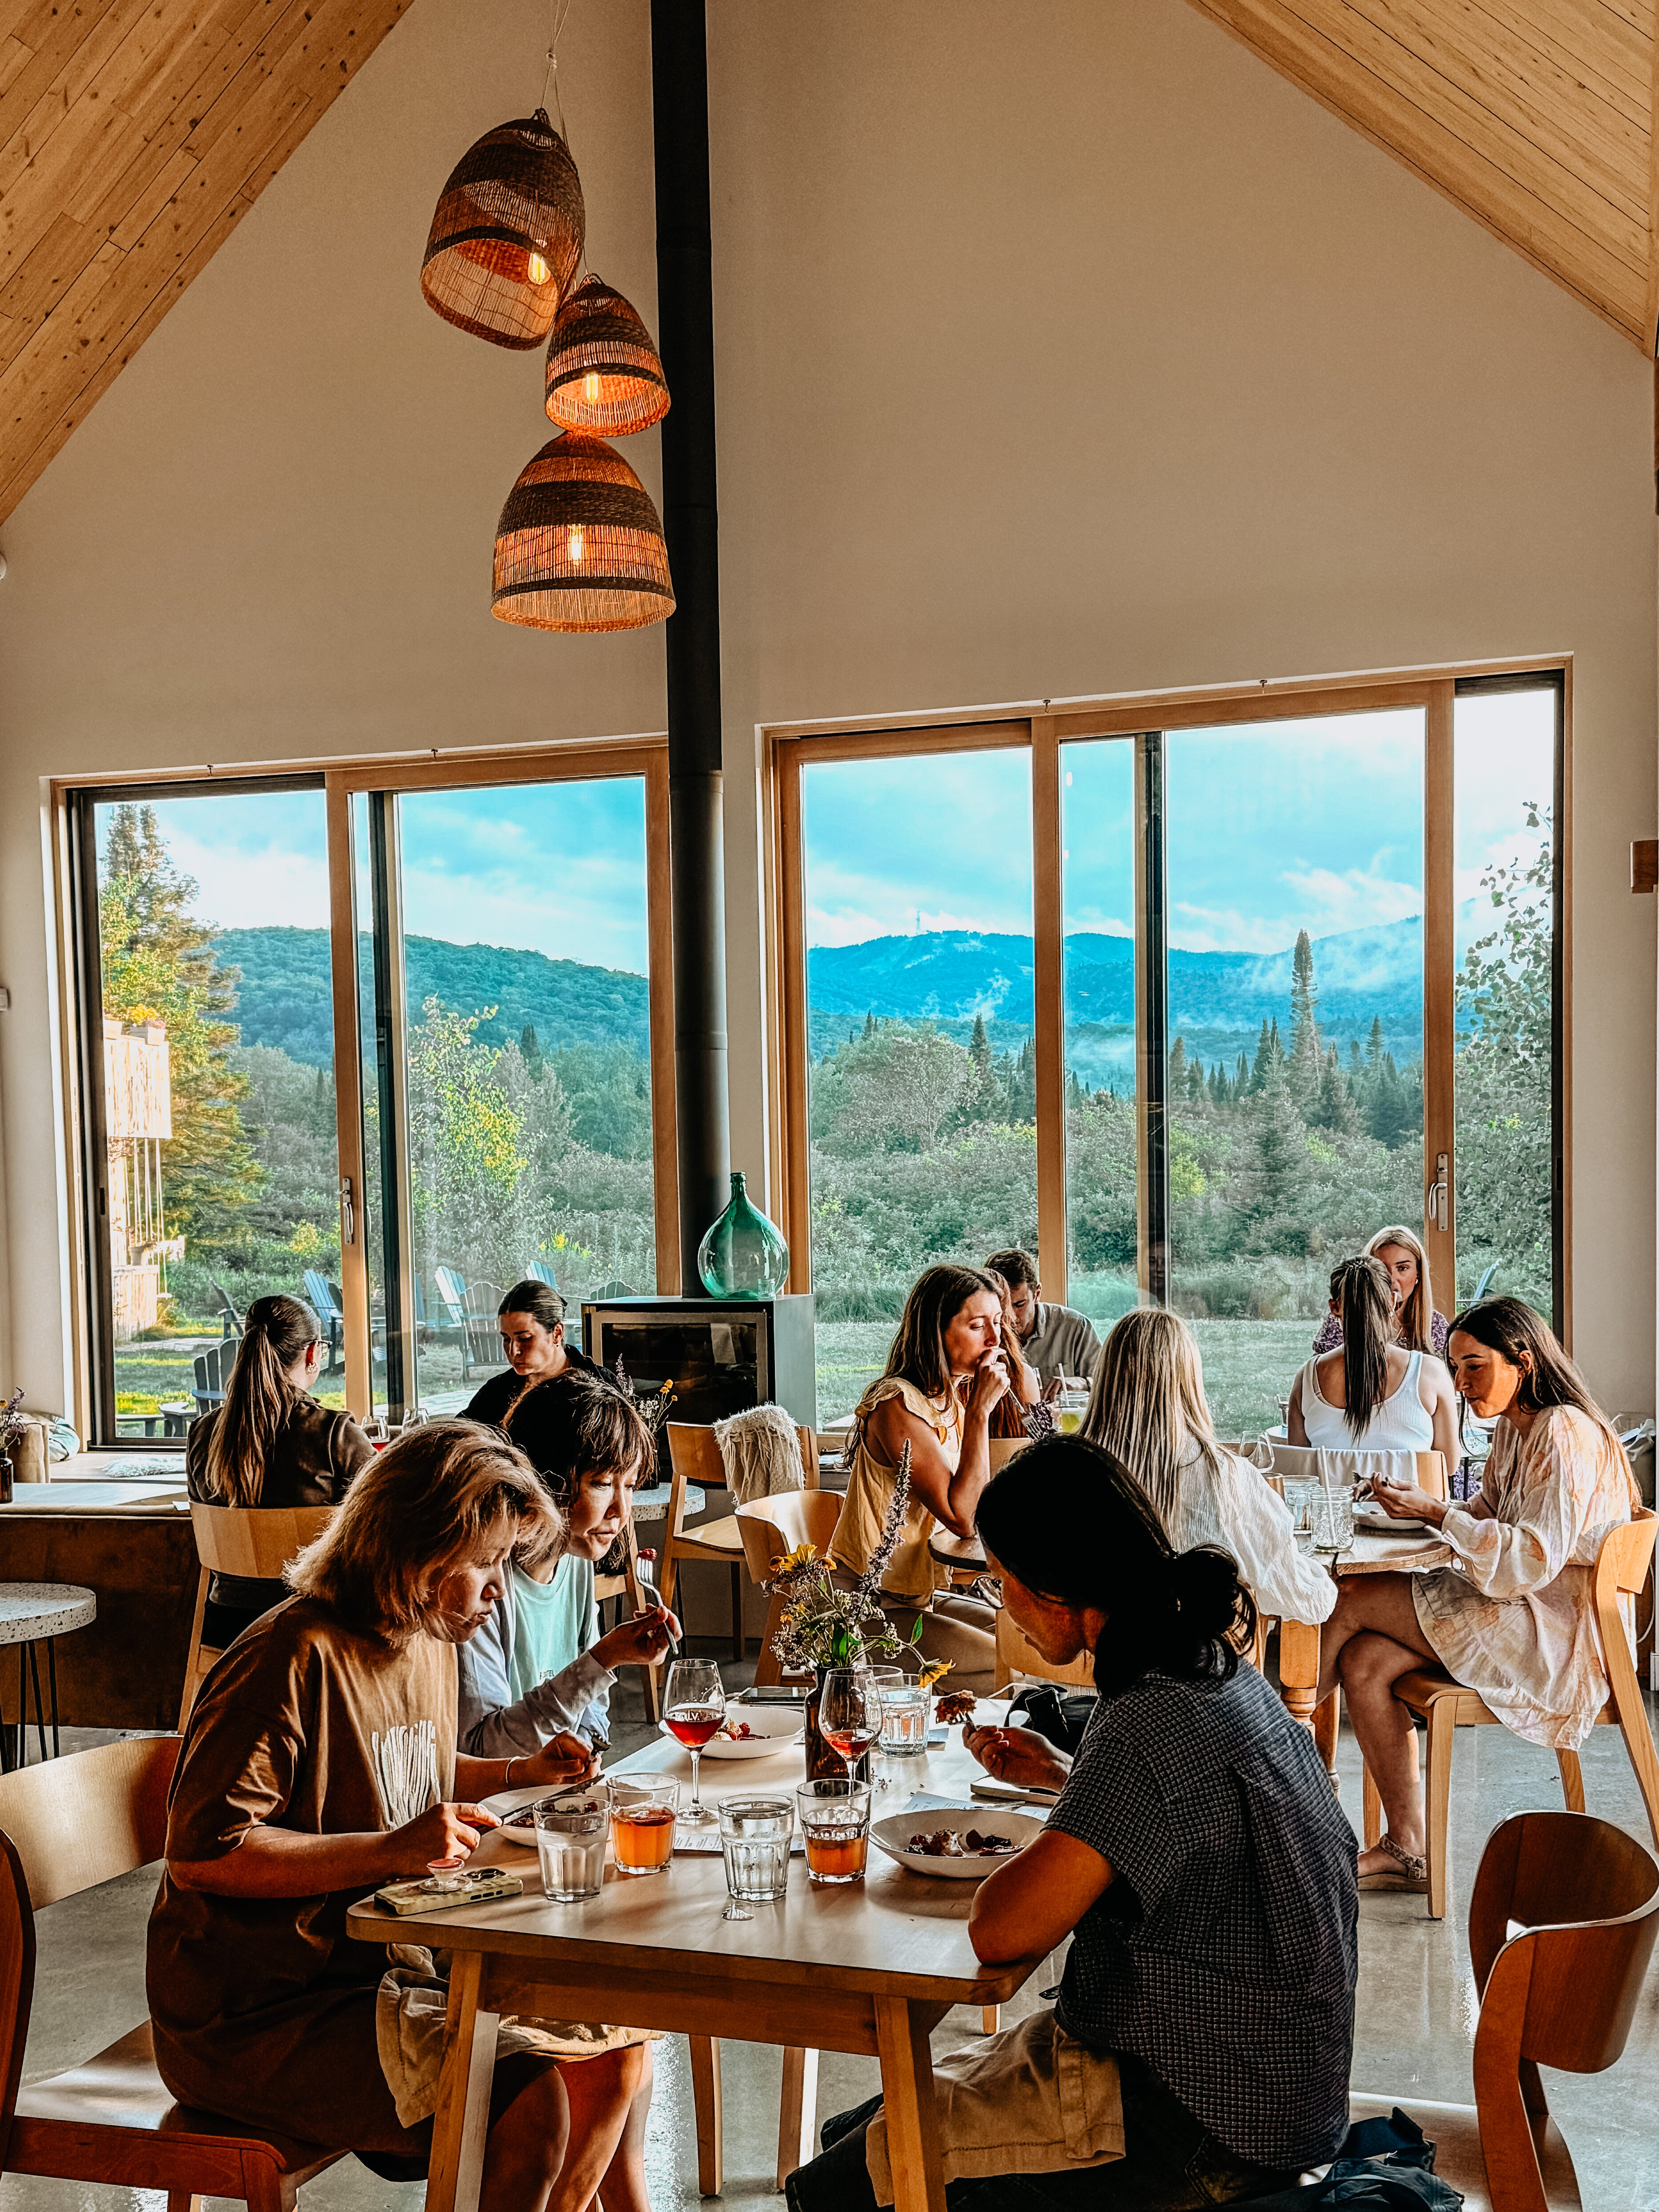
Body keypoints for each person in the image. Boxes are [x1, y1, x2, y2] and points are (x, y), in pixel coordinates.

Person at [787, 1436, 1357, 2210]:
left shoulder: (1143, 1718)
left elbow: (1000, 1930)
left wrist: (1057, 1808)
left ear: (1055, 1589)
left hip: (1192, 2119)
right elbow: (1190, 1819)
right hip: (1280, 2093)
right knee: (859, 2125)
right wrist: (1064, 1775)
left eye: (1001, 1581)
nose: (1002, 1605)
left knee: (839, 2187)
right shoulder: (1214, 1669)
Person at [149, 1420, 655, 2212]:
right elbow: (205, 1853)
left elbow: (406, 1769)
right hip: (260, 2012)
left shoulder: (424, 1634)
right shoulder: (287, 1656)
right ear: (419, 1550)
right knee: (528, 2105)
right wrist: (388, 1850)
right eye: (485, 1562)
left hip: (384, 1964)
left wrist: (518, 1770)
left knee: (617, 2046)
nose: (498, 1585)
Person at [1316, 1297, 1639, 1892]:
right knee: (1362, 1662)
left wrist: (1436, 1512)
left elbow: (1531, 1558)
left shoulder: (1562, 1431)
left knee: (1345, 1597)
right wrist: (1418, 1506)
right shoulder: (1516, 1431)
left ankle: (1263, 1762)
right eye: (1455, 1367)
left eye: (1473, 1366)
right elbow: (1485, 1514)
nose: (1460, 1383)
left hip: (1554, 1637)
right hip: (1518, 1610)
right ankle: (1405, 1847)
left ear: (1522, 1361)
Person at [458, 1376, 680, 1760]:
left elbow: (589, 1710)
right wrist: (603, 1660)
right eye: (601, 1483)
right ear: (545, 1479)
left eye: (628, 1485)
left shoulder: (574, 1560)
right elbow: (482, 1749)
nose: (621, 1512)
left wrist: (589, 1748)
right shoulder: (481, 1583)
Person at [823, 1265, 1013, 1690]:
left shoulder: (947, 1402)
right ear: (937, 1331)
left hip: (914, 1596)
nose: (994, 1340)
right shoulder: (897, 1404)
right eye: (977, 1325)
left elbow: (978, 1497)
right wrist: (981, 1411)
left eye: (997, 1324)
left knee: (1024, 1641)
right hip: (867, 1607)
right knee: (1009, 1666)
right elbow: (962, 1518)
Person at [1082, 1307, 1334, 1627]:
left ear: (1107, 1375)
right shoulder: (1225, 1475)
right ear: (1188, 1380)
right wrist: (1320, 1575)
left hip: (1076, 1669)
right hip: (1193, 1668)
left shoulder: (1058, 1469)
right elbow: (1304, 1600)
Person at [185, 1293, 375, 1650]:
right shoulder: (333, 1434)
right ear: (312, 1354)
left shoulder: (202, 1433)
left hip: (226, 1625)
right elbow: (384, 1523)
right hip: (315, 1625)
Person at [1288, 1254, 1460, 1468]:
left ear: (1335, 1307)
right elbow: (1449, 1465)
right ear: (1392, 1301)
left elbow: (1298, 1470)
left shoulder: (1307, 1378)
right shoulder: (1430, 1373)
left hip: (1332, 1502)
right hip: (1405, 1503)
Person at [462, 1278, 607, 1480]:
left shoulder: (601, 1386)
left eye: (525, 1338)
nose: (513, 1351)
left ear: (557, 1333)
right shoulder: (496, 1393)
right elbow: (460, 1447)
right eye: (506, 1338)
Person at [1311, 1224, 1450, 1362]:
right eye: (1382, 1268)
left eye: (1402, 1268)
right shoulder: (1343, 1318)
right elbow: (1321, 1372)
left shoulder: (1435, 1326)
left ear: (1418, 1274)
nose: (1391, 1279)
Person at [985, 1248, 1102, 1390]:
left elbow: (1108, 1385)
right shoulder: (982, 1337)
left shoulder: (1076, 1327)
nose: (1009, 1317)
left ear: (1037, 1294)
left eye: (1019, 1304)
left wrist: (1083, 1383)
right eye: (1001, 1306)